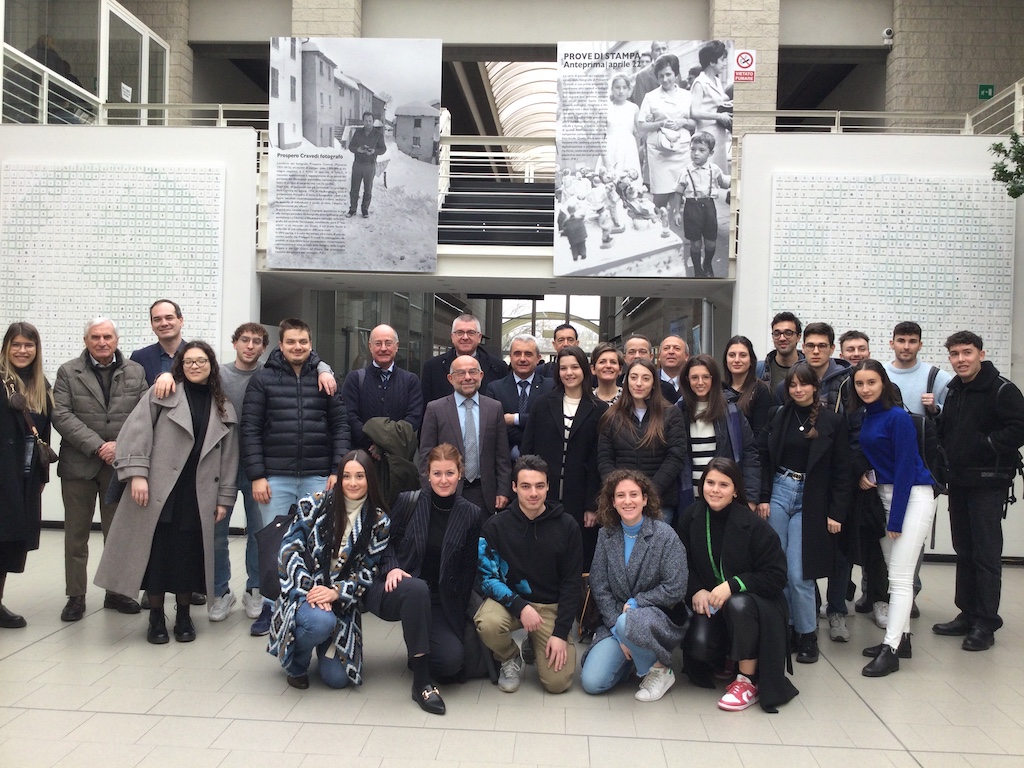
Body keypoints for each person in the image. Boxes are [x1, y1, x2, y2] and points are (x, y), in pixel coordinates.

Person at [94, 341, 238, 645]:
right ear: (180, 366)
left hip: (199, 493)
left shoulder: (222, 405)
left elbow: (229, 456)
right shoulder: (163, 393)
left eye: (201, 361)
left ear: (212, 365)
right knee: (158, 553)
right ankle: (156, 618)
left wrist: (224, 498)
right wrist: (137, 476)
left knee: (188, 554)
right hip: (160, 488)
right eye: (189, 362)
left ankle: (184, 615)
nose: (195, 366)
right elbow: (136, 432)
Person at [240, 318, 350, 636]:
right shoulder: (262, 380)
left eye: (303, 342)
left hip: (318, 477)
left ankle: (311, 604)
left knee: (317, 544)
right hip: (276, 478)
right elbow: (250, 430)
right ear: (281, 344)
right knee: (275, 545)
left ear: (310, 343)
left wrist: (335, 471)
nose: (297, 347)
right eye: (291, 342)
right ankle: (271, 608)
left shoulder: (325, 378)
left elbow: (340, 426)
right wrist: (258, 476)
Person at [364, 444, 483, 713]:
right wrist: (392, 567)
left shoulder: (471, 514)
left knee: (452, 661)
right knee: (417, 589)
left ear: (460, 474)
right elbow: (385, 545)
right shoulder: (409, 501)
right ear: (427, 474)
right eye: (437, 473)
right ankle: (421, 684)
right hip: (397, 587)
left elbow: (467, 571)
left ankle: (417, 650)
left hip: (438, 600)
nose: (443, 480)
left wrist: (458, 620)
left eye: (449, 473)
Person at [678, 458, 798, 713]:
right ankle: (728, 658)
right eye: (710, 483)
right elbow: (681, 562)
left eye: (724, 484)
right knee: (699, 649)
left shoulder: (754, 525)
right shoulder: (691, 516)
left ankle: (747, 680)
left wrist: (733, 585)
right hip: (712, 602)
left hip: (756, 605)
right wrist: (696, 589)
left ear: (735, 490)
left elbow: (776, 576)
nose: (715, 490)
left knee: (738, 603)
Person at [267, 450, 391, 688]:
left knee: (338, 679)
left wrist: (336, 592)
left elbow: (368, 571)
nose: (352, 483)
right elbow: (288, 550)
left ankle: (320, 638)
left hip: (341, 603)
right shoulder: (315, 503)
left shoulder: (379, 521)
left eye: (360, 476)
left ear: (370, 480)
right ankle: (297, 664)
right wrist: (312, 591)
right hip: (302, 594)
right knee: (320, 622)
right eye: (346, 476)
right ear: (339, 478)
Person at [52, 317, 147, 622]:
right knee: (76, 536)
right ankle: (75, 596)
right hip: (78, 465)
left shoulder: (135, 371)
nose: (102, 342)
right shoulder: (68, 371)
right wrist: (98, 445)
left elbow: (145, 413)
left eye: (107, 336)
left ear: (116, 340)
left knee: (117, 534)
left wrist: (121, 445)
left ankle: (116, 591)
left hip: (119, 465)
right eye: (95, 337)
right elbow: (61, 414)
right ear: (86, 340)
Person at [933, 331, 1024, 651]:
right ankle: (967, 613)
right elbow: (949, 432)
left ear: (981, 354)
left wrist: (985, 445)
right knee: (965, 550)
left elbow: (1018, 428)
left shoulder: (1002, 389)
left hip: (988, 482)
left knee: (985, 554)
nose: (961, 359)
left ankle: (986, 622)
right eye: (955, 354)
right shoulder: (955, 391)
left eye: (967, 352)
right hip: (959, 482)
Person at [758, 362, 852, 664]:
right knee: (778, 568)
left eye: (804, 384)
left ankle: (808, 634)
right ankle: (786, 629)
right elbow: (762, 458)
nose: (798, 390)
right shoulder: (778, 415)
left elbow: (842, 471)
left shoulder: (832, 421)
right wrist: (761, 497)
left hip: (811, 499)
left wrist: (836, 513)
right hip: (778, 492)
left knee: (800, 573)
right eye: (793, 385)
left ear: (815, 387)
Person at [847, 361, 937, 676]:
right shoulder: (866, 416)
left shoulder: (898, 417)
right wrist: (864, 475)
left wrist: (896, 520)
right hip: (885, 497)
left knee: (899, 579)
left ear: (884, 383)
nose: (866, 388)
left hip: (911, 497)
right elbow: (872, 457)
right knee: (893, 572)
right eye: (860, 384)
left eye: (871, 382)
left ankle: (891, 648)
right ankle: (904, 640)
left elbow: (904, 469)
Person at [475, 455, 583, 694]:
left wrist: (560, 632)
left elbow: (572, 583)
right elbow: (487, 579)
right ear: (514, 487)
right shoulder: (495, 526)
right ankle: (509, 657)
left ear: (548, 487)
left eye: (539, 486)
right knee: (488, 622)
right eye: (525, 486)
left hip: (551, 608)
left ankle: (534, 643)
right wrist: (521, 607)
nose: (533, 493)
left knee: (558, 684)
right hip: (513, 603)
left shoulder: (567, 526)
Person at [580, 470, 687, 701]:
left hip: (656, 617)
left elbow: (675, 587)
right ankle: (636, 661)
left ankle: (661, 669)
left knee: (627, 620)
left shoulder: (665, 535)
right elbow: (599, 585)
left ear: (645, 499)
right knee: (592, 682)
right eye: (620, 495)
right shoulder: (606, 535)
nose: (627, 501)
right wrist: (620, 632)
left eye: (634, 495)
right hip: (616, 620)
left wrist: (637, 602)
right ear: (613, 502)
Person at [521, 346, 608, 569]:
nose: (569, 373)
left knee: (575, 558)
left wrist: (592, 505)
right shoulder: (542, 404)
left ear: (586, 370)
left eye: (575, 367)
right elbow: (527, 450)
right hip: (542, 496)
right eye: (563, 368)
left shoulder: (599, 409)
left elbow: (599, 460)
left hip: (579, 498)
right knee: (541, 555)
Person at [0, 323, 53, 629]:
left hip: (25, 477)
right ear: (7, 346)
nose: (23, 350)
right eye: (17, 344)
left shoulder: (39, 384)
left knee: (9, 543)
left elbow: (43, 432)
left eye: (29, 345)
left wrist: (42, 477)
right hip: (3, 476)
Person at [597, 359, 688, 525]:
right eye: (633, 377)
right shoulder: (611, 416)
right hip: (622, 503)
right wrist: (620, 492)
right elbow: (605, 458)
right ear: (626, 382)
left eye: (646, 378)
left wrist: (649, 492)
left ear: (654, 383)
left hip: (659, 501)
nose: (639, 383)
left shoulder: (670, 414)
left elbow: (675, 457)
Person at [419, 355, 511, 516]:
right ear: (450, 378)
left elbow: (502, 455)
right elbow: (426, 456)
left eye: (473, 372)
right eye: (461, 373)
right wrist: (430, 493)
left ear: (481, 375)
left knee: (482, 541)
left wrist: (503, 490)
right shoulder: (435, 409)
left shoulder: (494, 408)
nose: (468, 377)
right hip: (447, 491)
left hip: (485, 494)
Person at [676, 355, 759, 509]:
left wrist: (751, 498)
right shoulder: (677, 412)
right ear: (687, 380)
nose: (700, 382)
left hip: (724, 498)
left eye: (705, 377)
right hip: (688, 499)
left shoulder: (732, 411)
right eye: (695, 377)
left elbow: (750, 454)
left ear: (714, 379)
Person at [342, 324, 424, 453]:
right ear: (370, 347)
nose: (383, 348)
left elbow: (413, 419)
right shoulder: (354, 379)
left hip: (399, 460)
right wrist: (373, 444)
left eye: (388, 343)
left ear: (397, 346)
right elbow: (350, 416)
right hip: (362, 459)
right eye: (378, 343)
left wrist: (385, 445)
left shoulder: (411, 381)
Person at [638, 54, 695, 210]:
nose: (664, 79)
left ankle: (678, 226)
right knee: (661, 194)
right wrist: (660, 123)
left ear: (676, 74)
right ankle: (658, 224)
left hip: (681, 148)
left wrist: (683, 122)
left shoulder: (687, 95)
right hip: (659, 151)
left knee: (681, 190)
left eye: (668, 74)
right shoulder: (651, 97)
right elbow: (641, 126)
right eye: (661, 76)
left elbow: (694, 122)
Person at [486, 334, 553, 460]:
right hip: (505, 464)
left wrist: (514, 419)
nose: (522, 359)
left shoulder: (550, 386)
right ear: (510, 357)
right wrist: (532, 433)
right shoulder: (494, 388)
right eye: (517, 354)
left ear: (538, 358)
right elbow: (494, 425)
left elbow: (549, 422)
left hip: (542, 463)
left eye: (528, 354)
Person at [674, 131, 730, 278]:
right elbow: (678, 192)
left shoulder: (714, 169)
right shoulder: (685, 171)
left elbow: (724, 183)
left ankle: (708, 264)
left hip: (709, 208)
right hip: (691, 209)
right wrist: (676, 212)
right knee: (696, 243)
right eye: (693, 149)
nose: (696, 153)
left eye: (701, 150)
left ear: (710, 153)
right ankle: (698, 270)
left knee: (711, 243)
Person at [420, 314, 508, 405]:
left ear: (479, 338)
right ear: (452, 337)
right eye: (460, 332)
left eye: (471, 333)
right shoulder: (433, 368)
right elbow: (425, 408)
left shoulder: (498, 368)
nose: (465, 337)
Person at [689, 40, 733, 172]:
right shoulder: (699, 83)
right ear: (712, 62)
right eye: (722, 60)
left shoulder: (717, 81)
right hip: (705, 136)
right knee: (706, 174)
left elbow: (718, 102)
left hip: (719, 134)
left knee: (717, 174)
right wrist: (719, 116)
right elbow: (694, 112)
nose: (724, 64)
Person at [722, 335, 772, 439]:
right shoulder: (718, 388)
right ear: (726, 360)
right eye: (732, 355)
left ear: (751, 360)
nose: (736, 360)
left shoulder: (761, 390)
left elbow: (760, 435)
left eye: (743, 355)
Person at [131, 299, 186, 386]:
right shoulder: (139, 358)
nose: (164, 323)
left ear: (181, 321)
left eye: (169, 318)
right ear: (152, 325)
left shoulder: (198, 355)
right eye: (157, 319)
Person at [347, 111, 387, 218]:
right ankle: (352, 209)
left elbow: (383, 149)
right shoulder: (357, 133)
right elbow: (351, 147)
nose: (368, 123)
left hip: (370, 165)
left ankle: (365, 210)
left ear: (373, 121)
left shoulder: (378, 135)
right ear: (363, 121)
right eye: (366, 121)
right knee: (354, 188)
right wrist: (358, 149)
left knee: (367, 189)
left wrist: (374, 151)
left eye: (370, 121)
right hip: (357, 164)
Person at [603, 74, 641, 175]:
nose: (621, 91)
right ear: (611, 89)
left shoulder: (634, 108)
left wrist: (635, 154)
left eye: (624, 87)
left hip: (629, 150)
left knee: (629, 183)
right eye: (617, 87)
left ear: (629, 89)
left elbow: (638, 134)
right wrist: (605, 160)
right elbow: (600, 137)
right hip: (610, 149)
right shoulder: (605, 108)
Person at [758, 312, 804, 391]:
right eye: (777, 333)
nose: (782, 338)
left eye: (788, 333)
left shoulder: (810, 369)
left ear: (798, 337)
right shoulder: (759, 370)